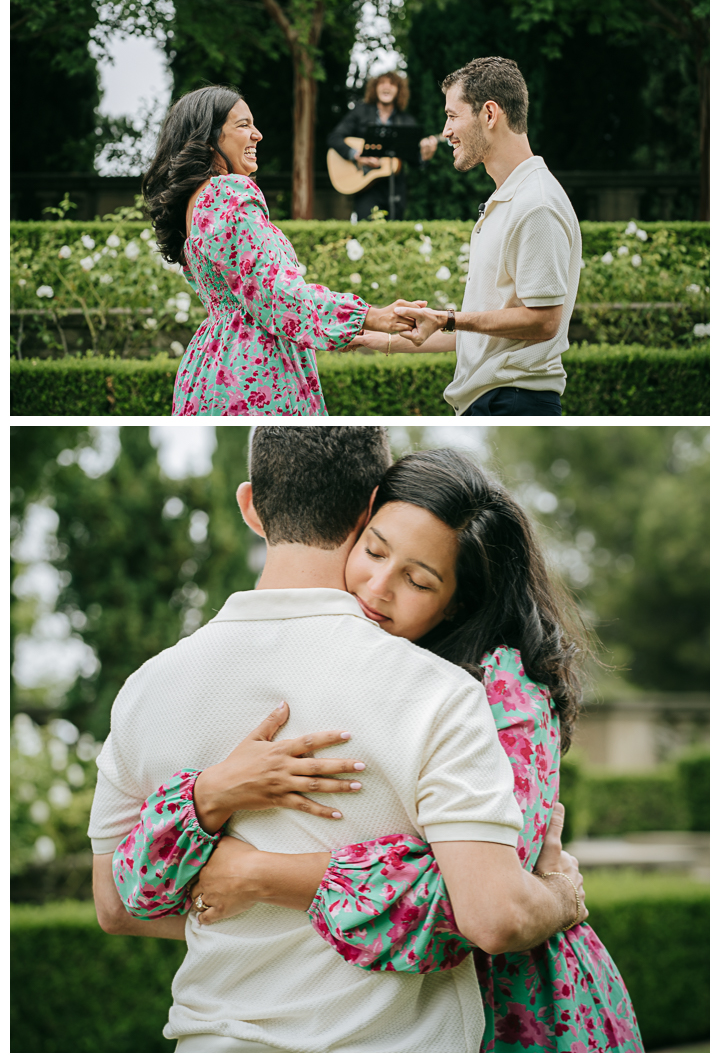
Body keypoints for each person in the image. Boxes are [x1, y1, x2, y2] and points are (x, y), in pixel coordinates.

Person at [112, 448, 643, 1054]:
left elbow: (480, 901)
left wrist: (259, 873)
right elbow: (121, 900)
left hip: (520, 1009)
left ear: (458, 602)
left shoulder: (502, 691)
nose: (376, 587)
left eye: (419, 581)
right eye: (373, 550)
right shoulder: (352, 668)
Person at [142, 86, 419, 416]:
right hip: (254, 370)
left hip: (208, 367)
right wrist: (373, 316)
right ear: (208, 138)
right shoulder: (229, 192)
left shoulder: (193, 205)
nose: (257, 135)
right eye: (243, 125)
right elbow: (279, 296)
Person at [358, 57, 582, 418]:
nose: (445, 131)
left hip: (513, 402)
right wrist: (382, 340)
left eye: (452, 115)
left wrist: (448, 317)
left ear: (489, 114)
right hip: (497, 400)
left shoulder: (536, 203)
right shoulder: (507, 197)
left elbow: (544, 321)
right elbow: (486, 329)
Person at [327, 71, 438, 220]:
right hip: (365, 188)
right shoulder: (360, 112)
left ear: (399, 90)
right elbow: (334, 137)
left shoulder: (407, 121)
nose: (387, 87)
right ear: (375, 88)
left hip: (395, 189)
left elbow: (414, 160)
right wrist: (356, 155)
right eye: (382, 83)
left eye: (392, 84)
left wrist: (425, 156)